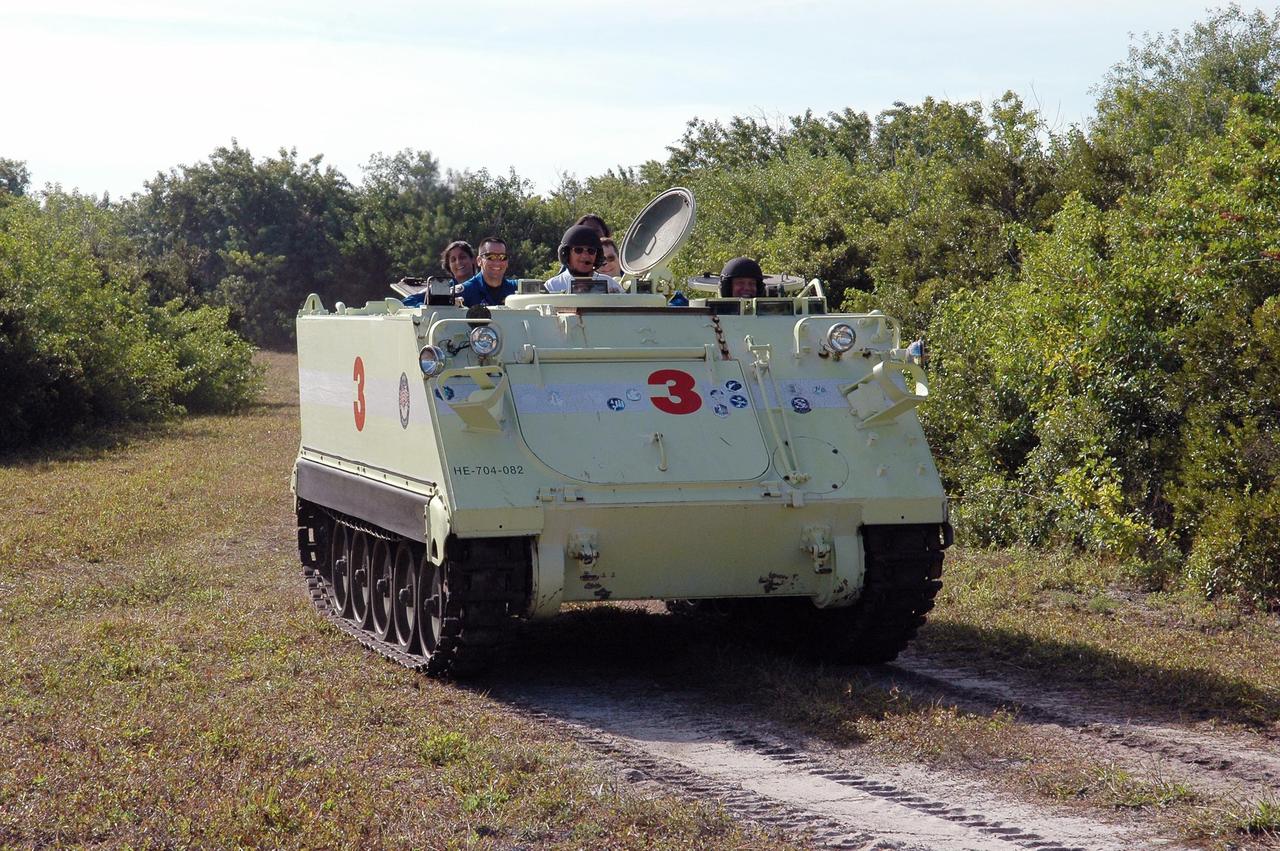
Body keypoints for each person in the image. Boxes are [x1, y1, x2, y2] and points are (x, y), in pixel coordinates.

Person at [543, 225, 622, 293]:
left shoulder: (610, 284)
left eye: (591, 251)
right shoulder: (552, 287)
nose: (585, 256)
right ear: (566, 253)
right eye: (578, 250)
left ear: (598, 256)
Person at [402, 240, 476, 306]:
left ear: (473, 259)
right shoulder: (443, 287)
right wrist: (431, 306)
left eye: (462, 257)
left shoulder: (481, 285)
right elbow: (407, 302)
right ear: (449, 266)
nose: (458, 262)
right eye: (453, 260)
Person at [458, 236, 518, 306]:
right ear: (479, 261)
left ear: (507, 262)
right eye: (490, 257)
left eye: (502, 257)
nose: (497, 263)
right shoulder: (465, 292)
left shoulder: (517, 289)